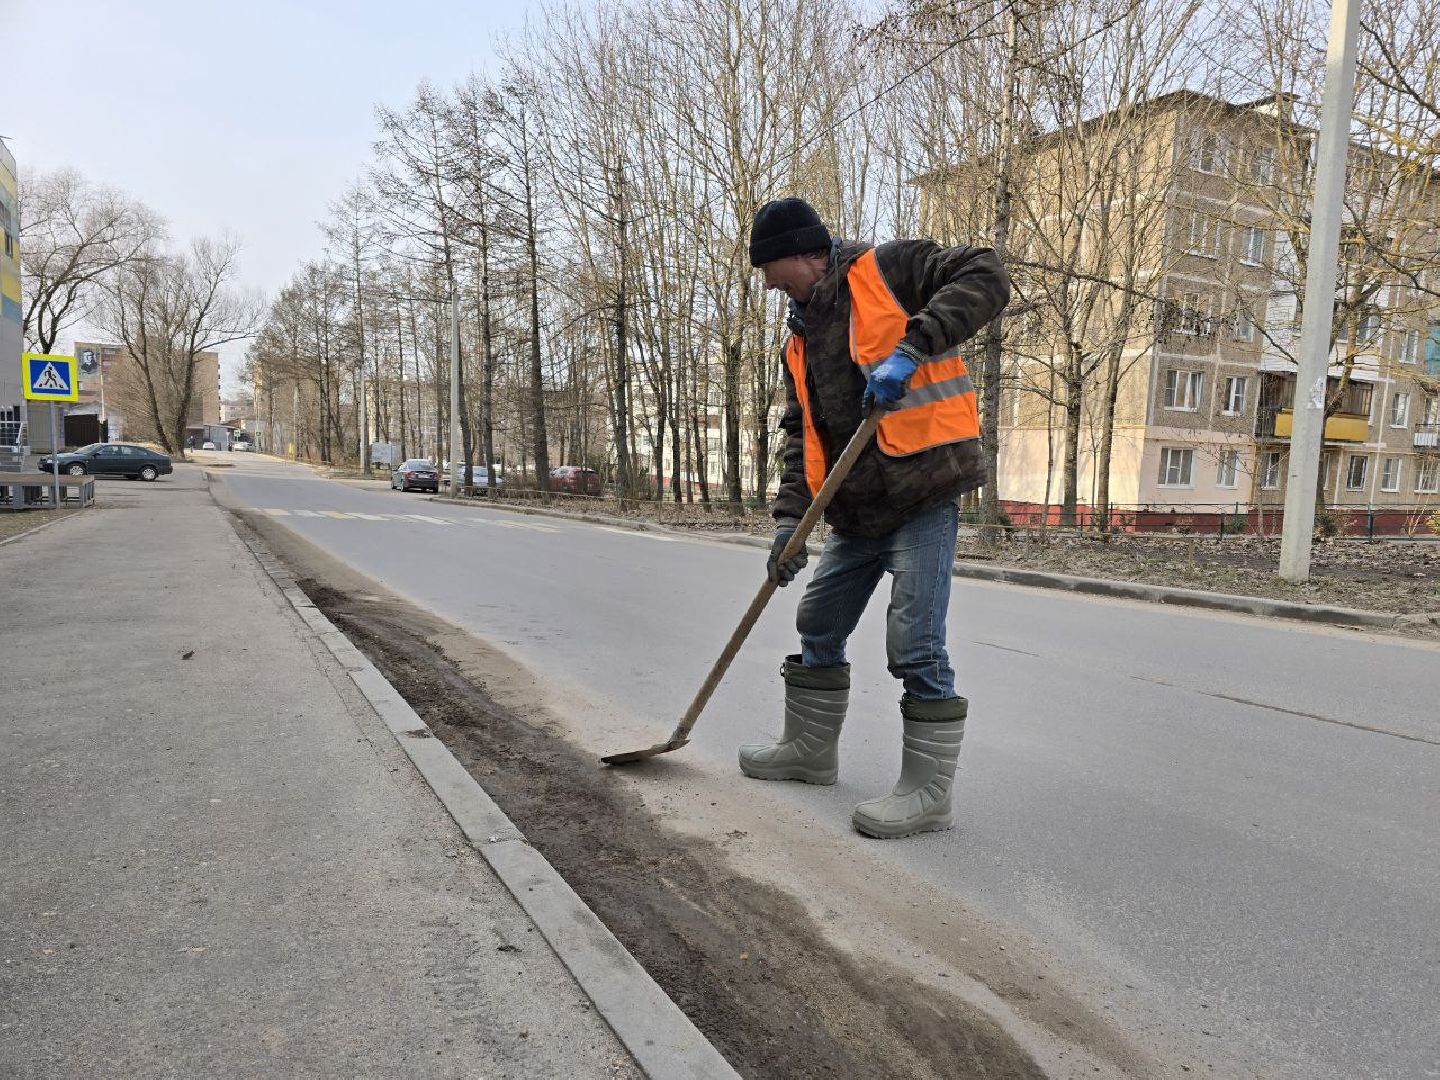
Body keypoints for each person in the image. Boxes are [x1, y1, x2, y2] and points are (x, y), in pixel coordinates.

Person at [739, 196, 1010, 839]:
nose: (769, 283)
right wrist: (789, 520)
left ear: (808, 252)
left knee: (915, 643)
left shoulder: (890, 270)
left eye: (774, 268)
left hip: (921, 496)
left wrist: (913, 348)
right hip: (856, 512)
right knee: (818, 620)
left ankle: (928, 793)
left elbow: (988, 274)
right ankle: (809, 753)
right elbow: (803, 436)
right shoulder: (799, 340)